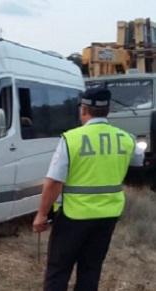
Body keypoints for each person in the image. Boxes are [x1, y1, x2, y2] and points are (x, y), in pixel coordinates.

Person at [32, 88, 144, 291]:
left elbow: (54, 182)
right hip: (107, 216)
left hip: (74, 216)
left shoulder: (71, 139)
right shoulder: (127, 139)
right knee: (91, 271)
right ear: (107, 110)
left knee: (58, 271)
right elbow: (137, 162)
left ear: (83, 110)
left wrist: (41, 215)